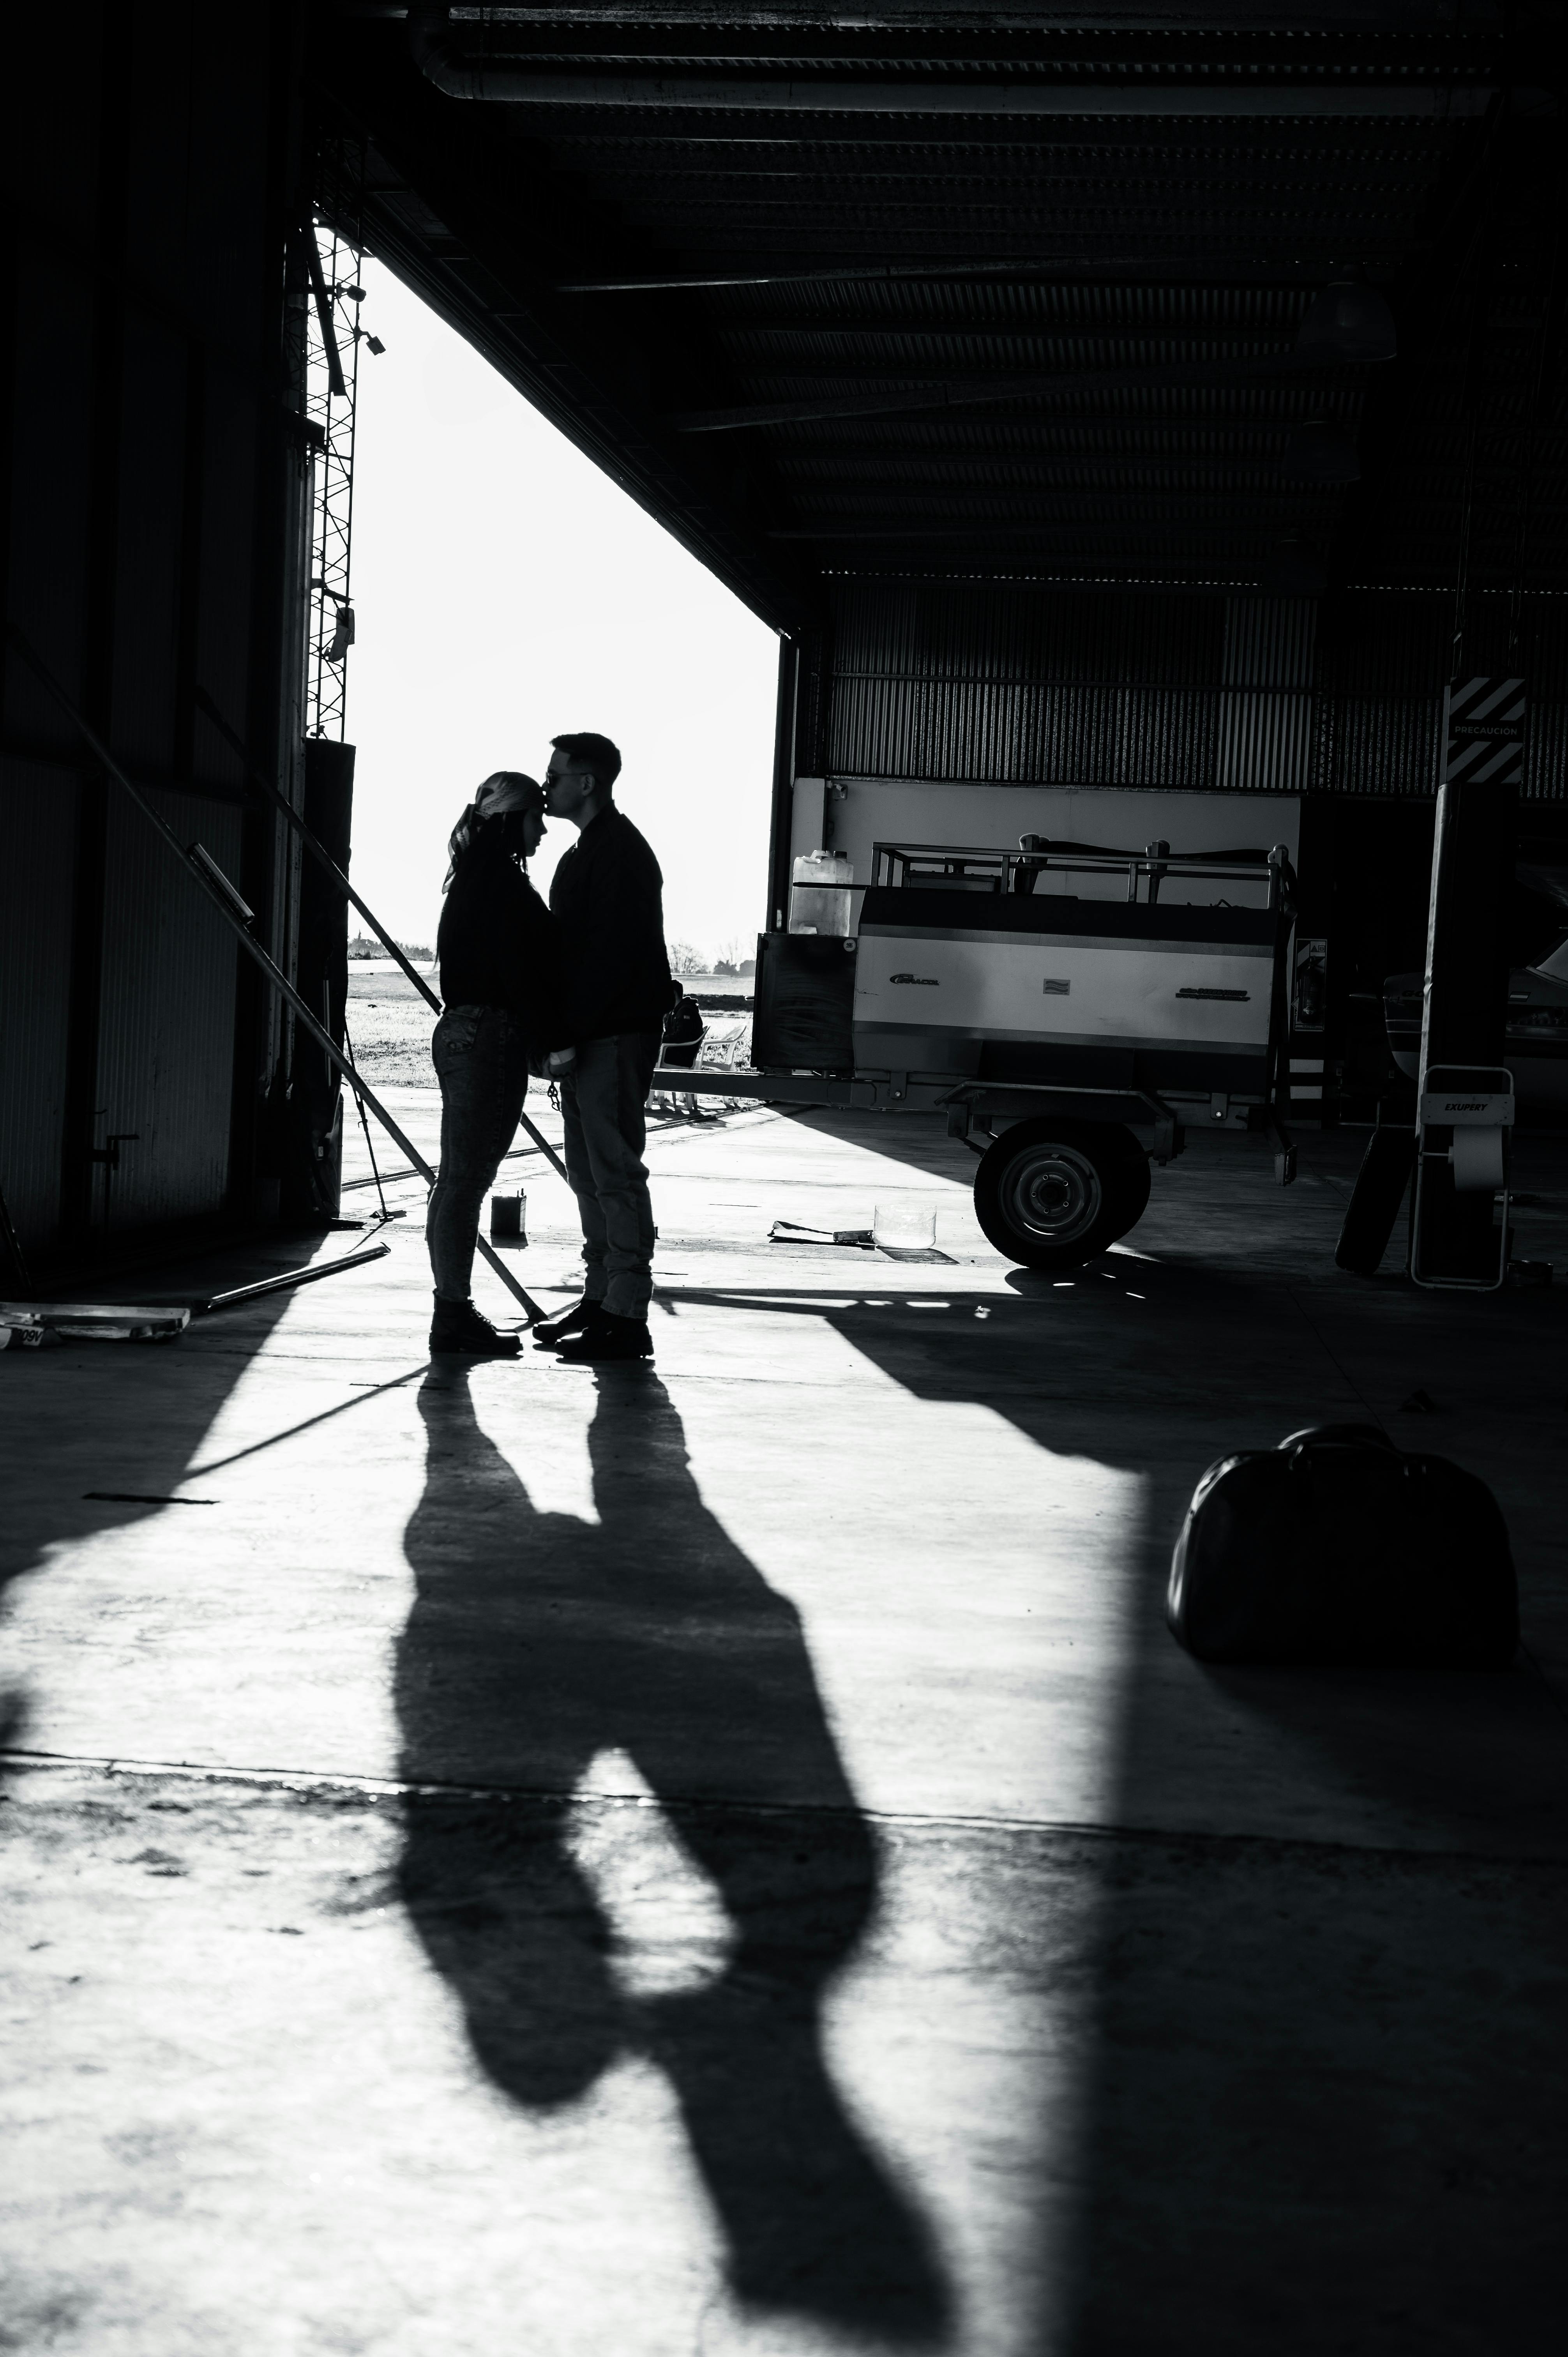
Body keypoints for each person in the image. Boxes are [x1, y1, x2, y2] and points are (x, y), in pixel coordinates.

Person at [531, 731, 672, 1363]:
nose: (546, 785)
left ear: (586, 783)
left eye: (555, 776)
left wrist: (564, 1034)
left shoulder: (619, 853)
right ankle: (600, 1296)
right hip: (594, 1033)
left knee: (614, 1172)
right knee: (588, 1173)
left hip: (613, 1033)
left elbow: (607, 962)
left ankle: (627, 1312)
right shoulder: (590, 851)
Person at [427, 770, 560, 1357]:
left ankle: (451, 1310)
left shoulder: (471, 875)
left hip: (460, 1029)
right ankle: (453, 1315)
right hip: (488, 1033)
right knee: (465, 1183)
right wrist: (552, 1040)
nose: (544, 829)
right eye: (537, 817)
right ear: (512, 820)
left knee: (454, 1180)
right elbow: (522, 973)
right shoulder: (503, 883)